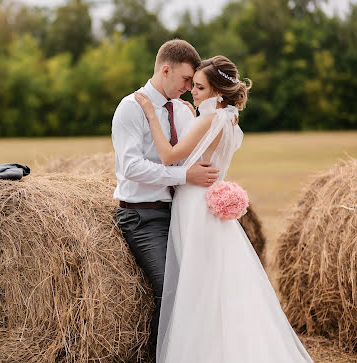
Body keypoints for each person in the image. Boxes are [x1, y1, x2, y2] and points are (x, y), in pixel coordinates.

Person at [134, 55, 313, 362]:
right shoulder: (229, 118)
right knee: (215, 279)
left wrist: (151, 114)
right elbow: (205, 144)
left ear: (217, 92)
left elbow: (168, 156)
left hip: (194, 204)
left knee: (196, 281)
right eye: (193, 85)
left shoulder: (208, 120)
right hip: (206, 205)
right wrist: (193, 114)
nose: (193, 90)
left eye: (200, 87)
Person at [111, 39, 220, 355]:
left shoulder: (185, 111)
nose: (189, 87)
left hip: (182, 215)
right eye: (186, 79)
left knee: (202, 286)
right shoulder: (131, 108)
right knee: (171, 290)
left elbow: (190, 158)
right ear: (166, 69)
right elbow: (130, 167)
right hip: (142, 216)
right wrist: (184, 176)